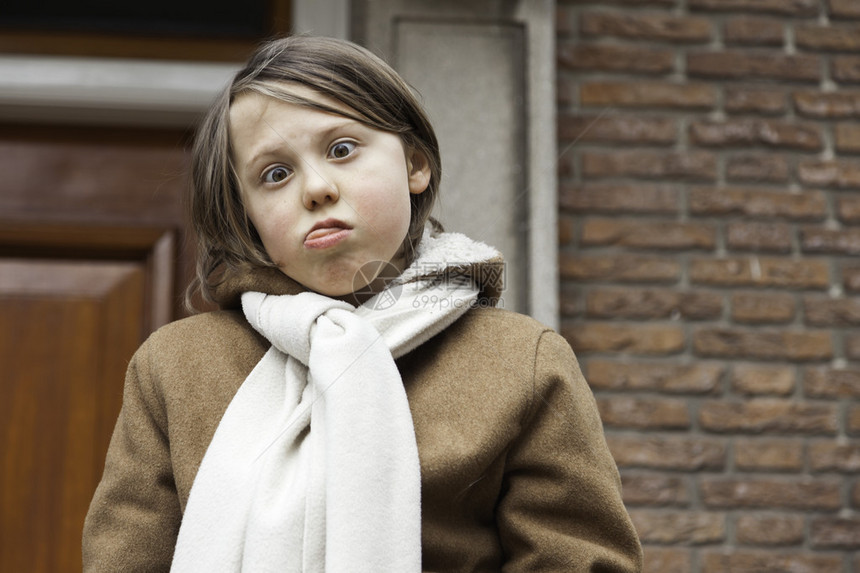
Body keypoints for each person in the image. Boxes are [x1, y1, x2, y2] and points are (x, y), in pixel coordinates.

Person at [82, 35, 642, 572]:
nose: (316, 188)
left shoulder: (523, 361)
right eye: (275, 174)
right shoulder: (175, 367)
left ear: (414, 166)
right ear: (244, 218)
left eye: (342, 149)